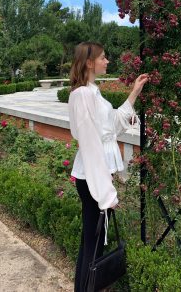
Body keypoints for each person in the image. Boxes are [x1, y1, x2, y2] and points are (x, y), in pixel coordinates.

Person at [68, 41, 148, 292]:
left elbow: (111, 126)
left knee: (93, 241)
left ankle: (86, 288)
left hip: (98, 175)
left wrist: (134, 92)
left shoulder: (93, 91)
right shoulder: (82, 94)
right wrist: (106, 193)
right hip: (93, 177)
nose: (107, 61)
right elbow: (90, 145)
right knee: (92, 243)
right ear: (89, 62)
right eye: (103, 58)